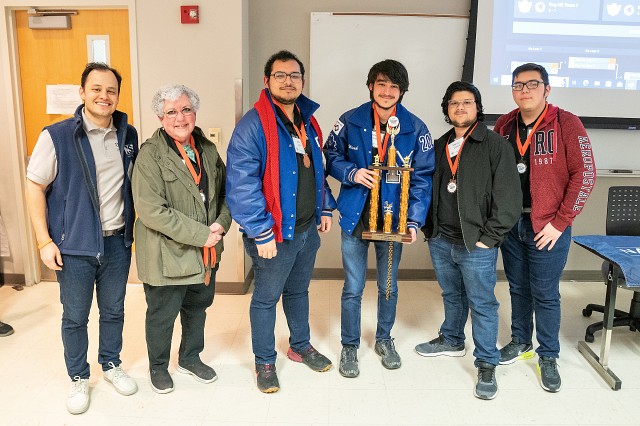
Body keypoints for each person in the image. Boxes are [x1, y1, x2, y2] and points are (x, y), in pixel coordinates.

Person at [26, 62, 138, 414]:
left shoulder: (128, 134)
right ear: (82, 93)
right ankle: (78, 377)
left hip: (117, 241)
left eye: (111, 91)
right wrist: (44, 240)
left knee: (114, 310)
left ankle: (111, 364)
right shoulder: (57, 135)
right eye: (96, 89)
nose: (104, 96)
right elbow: (34, 186)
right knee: (75, 316)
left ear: (118, 96)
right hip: (73, 246)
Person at [226, 50, 336, 393]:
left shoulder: (307, 120)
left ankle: (299, 346)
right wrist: (260, 232)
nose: (288, 81)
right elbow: (241, 185)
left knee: (298, 291)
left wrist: (325, 208)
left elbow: (316, 169)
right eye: (280, 75)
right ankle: (264, 361)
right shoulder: (253, 124)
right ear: (267, 81)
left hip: (304, 229)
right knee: (265, 299)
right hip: (273, 234)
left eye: (294, 76)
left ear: (302, 82)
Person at [324, 59, 435, 377]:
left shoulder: (415, 128)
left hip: (393, 218)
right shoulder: (350, 120)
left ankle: (384, 339)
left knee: (388, 285)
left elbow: (423, 177)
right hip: (356, 215)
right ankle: (349, 346)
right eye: (382, 84)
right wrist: (352, 172)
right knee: (354, 286)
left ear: (402, 91)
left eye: (394, 86)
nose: (387, 91)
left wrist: (413, 220)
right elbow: (330, 155)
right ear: (371, 85)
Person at [414, 81, 521, 400]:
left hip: (476, 243)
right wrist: (427, 228)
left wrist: (490, 238)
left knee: (483, 303)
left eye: (467, 102)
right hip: (441, 239)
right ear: (447, 109)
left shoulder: (494, 145)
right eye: (454, 103)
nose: (460, 107)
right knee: (451, 293)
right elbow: (425, 188)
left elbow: (509, 197)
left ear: (478, 107)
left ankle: (487, 362)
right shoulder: (437, 145)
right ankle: (451, 338)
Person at [494, 63, 596, 392]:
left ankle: (548, 354)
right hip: (512, 224)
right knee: (518, 289)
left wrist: (560, 222)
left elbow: (586, 174)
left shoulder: (567, 123)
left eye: (532, 84)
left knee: (546, 294)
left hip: (549, 226)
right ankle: (520, 342)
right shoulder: (504, 125)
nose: (524, 90)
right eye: (518, 85)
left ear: (547, 89)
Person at [132, 84, 231, 394]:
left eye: (185, 109)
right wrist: (204, 234)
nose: (180, 117)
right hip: (166, 255)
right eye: (171, 111)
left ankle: (190, 357)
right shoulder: (150, 155)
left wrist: (221, 225)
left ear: (195, 113)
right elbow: (152, 212)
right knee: (162, 316)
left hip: (205, 254)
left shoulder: (208, 149)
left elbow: (227, 194)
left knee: (197, 309)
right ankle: (158, 366)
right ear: (161, 117)